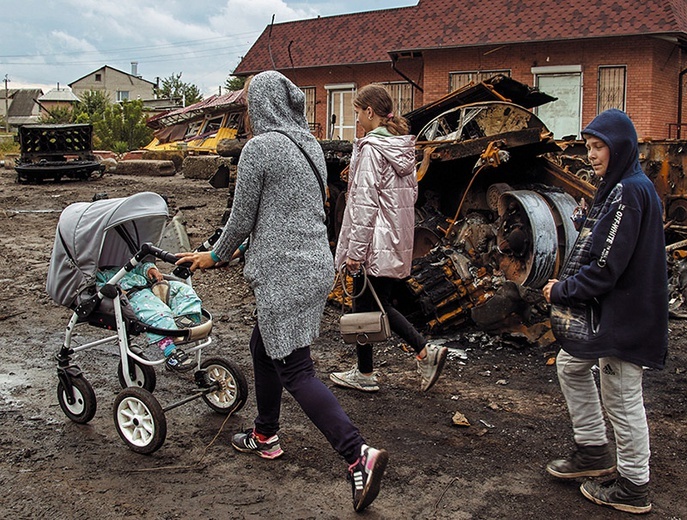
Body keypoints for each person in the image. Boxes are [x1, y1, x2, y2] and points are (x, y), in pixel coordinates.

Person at [176, 71, 388, 513]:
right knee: (263, 347)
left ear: (263, 105)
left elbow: (241, 219)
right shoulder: (308, 143)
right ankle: (265, 434)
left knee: (296, 370)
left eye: (251, 104)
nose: (248, 113)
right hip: (314, 267)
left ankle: (357, 455)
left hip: (282, 275)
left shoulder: (260, 149)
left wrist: (211, 256)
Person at [542, 109, 668, 514]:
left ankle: (634, 485)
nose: (592, 155)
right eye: (590, 147)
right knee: (571, 364)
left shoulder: (629, 192)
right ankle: (593, 449)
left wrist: (562, 291)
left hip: (625, 316)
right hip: (614, 312)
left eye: (599, 147)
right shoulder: (620, 189)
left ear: (621, 148)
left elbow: (606, 266)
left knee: (622, 394)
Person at [329, 84, 448, 393]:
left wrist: (355, 251)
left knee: (373, 304)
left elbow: (365, 204)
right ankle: (366, 372)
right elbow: (411, 196)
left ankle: (423, 351)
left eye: (357, 113)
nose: (356, 120)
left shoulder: (371, 149)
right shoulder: (400, 147)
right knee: (368, 304)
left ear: (370, 112)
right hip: (392, 239)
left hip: (372, 243)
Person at [96, 261, 201, 372]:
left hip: (152, 287)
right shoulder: (100, 276)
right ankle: (171, 352)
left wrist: (151, 270)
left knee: (183, 290)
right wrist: (116, 291)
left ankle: (185, 318)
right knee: (158, 313)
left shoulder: (123, 266)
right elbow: (100, 289)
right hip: (133, 298)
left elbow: (140, 267)